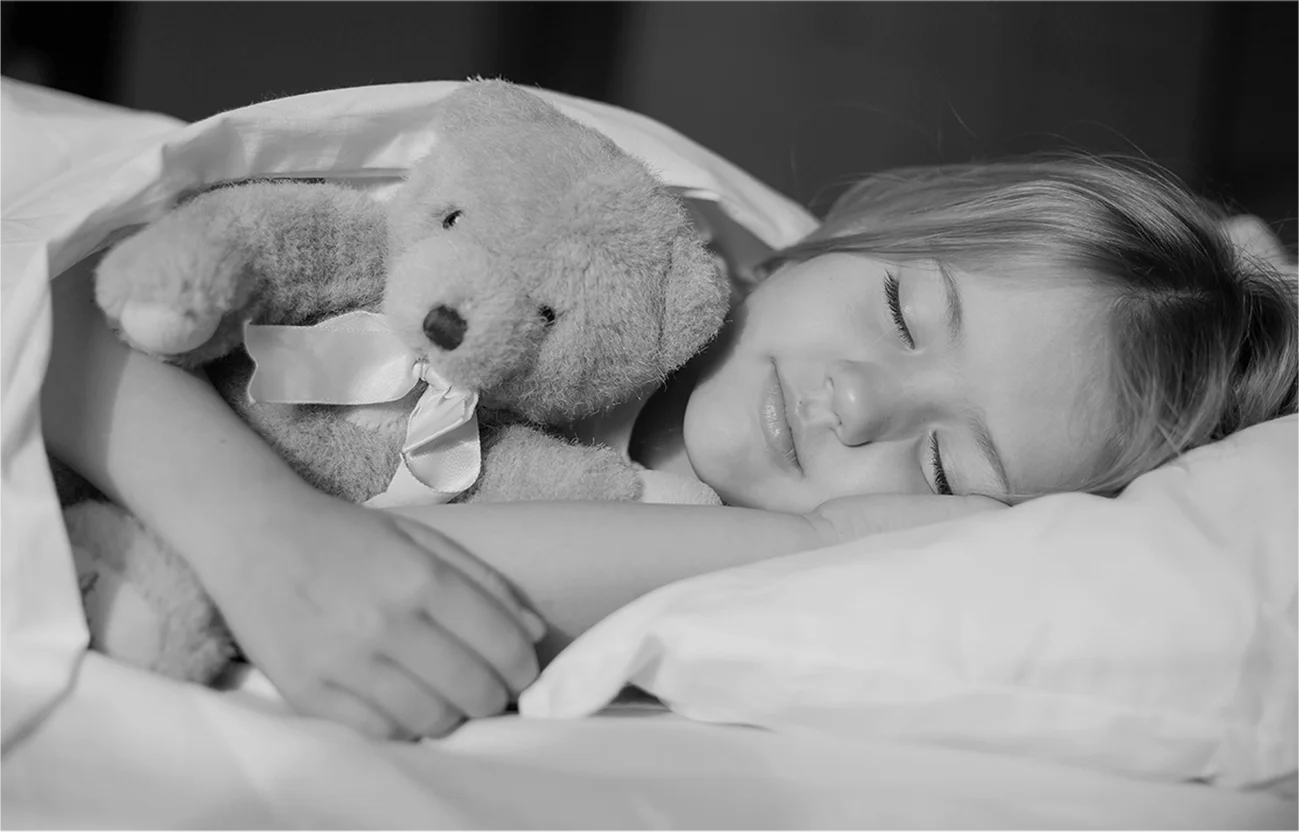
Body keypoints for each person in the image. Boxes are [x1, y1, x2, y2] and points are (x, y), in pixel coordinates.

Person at [40, 154, 1299, 741]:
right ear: (861, 226)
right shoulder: (599, 216)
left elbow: (411, 577)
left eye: (943, 466)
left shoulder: (711, 552)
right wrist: (257, 527)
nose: (858, 403)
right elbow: (71, 299)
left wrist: (812, 540)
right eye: (903, 310)